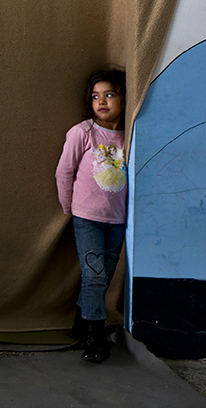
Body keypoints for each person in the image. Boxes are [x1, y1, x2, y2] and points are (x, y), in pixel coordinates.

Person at [54, 68, 128, 363]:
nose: (102, 101)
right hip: (87, 216)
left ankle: (80, 322)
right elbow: (64, 171)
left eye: (109, 94)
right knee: (94, 276)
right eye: (96, 96)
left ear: (123, 98)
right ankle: (95, 339)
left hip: (118, 218)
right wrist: (68, 207)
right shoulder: (83, 132)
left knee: (105, 275)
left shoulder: (130, 136)